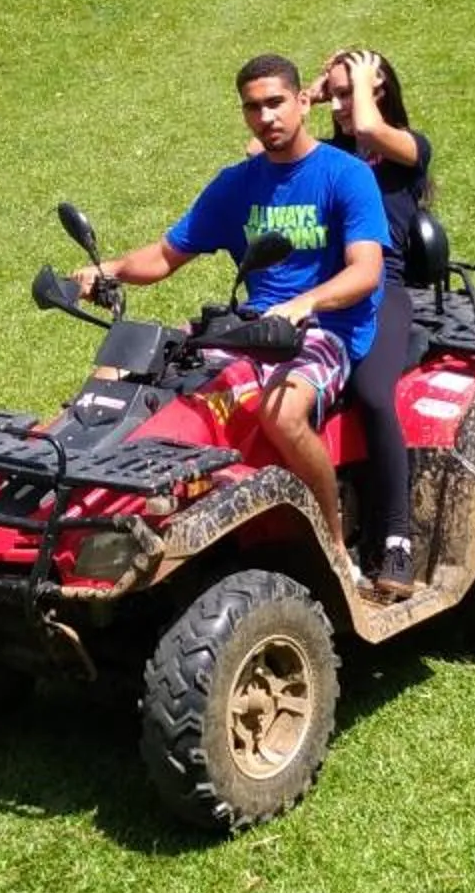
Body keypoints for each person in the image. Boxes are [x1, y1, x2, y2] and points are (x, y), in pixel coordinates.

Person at [73, 55, 389, 587]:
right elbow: (165, 255)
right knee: (118, 375)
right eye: (253, 107)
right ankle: (91, 512)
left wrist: (304, 303)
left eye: (275, 103)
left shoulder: (346, 175)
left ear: (302, 102)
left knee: (282, 412)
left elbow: (366, 271)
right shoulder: (237, 183)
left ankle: (334, 542)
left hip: (326, 330)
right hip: (249, 327)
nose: (265, 117)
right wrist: (105, 271)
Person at [314, 48, 431, 597]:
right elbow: (254, 155)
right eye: (331, 93)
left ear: (377, 88)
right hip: (323, 292)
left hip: (385, 292)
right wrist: (305, 97)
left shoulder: (409, 150)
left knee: (371, 394)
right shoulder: (326, 154)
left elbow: (367, 126)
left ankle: (397, 540)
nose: (338, 105)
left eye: (347, 91)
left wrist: (358, 84)